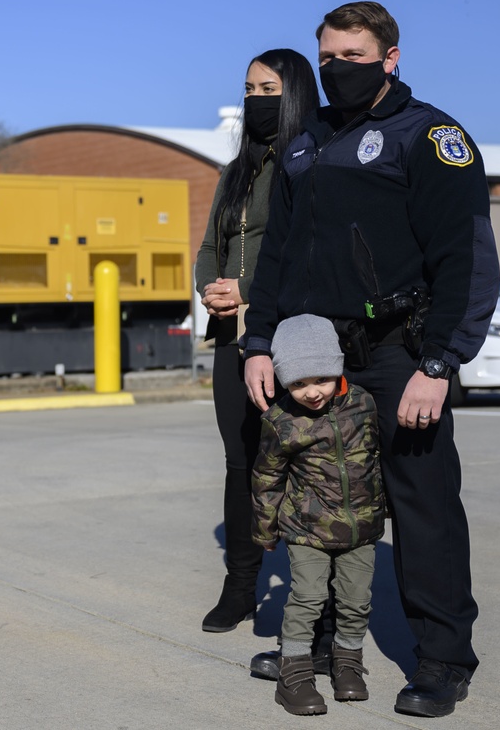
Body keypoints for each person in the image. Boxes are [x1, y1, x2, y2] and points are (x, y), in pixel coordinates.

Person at [242, 1, 500, 718]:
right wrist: (259, 343)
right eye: (325, 58)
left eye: (351, 58)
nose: (335, 71)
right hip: (319, 356)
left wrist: (439, 364)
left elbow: (465, 258)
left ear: (390, 58)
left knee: (423, 508)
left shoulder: (431, 136)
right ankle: (328, 641)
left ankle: (444, 659)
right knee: (324, 500)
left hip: (398, 352)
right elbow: (277, 260)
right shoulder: (306, 142)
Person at [195, 49, 319, 633]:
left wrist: (246, 289)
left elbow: (303, 251)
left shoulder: (310, 159)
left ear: (294, 92)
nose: (255, 100)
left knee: (299, 464)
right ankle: (241, 585)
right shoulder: (235, 169)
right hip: (231, 337)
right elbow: (208, 248)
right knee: (240, 461)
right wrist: (210, 290)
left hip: (287, 333)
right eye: (248, 88)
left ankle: (312, 598)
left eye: (268, 89)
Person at [252, 314, 387, 716]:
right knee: (308, 597)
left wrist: (382, 509)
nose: (311, 392)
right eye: (298, 383)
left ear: (337, 368)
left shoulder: (363, 404)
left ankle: (347, 666)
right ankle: (293, 672)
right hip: (306, 529)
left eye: (320, 380)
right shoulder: (281, 422)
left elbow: (376, 461)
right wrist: (264, 530)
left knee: (356, 600)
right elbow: (266, 478)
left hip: (360, 528)